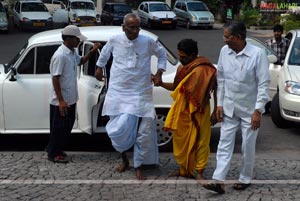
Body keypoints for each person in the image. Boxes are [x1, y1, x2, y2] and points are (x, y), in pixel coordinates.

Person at [95, 13, 167, 180]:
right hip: (118, 92)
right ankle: (125, 160)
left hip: (140, 93)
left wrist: (159, 73)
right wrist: (99, 68)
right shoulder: (114, 40)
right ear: (123, 27)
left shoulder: (147, 41)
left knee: (142, 132)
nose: (135, 31)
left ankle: (139, 165)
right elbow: (104, 56)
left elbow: (162, 55)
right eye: (132, 28)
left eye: (137, 27)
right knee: (119, 130)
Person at [203, 21, 270, 194]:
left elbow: (263, 84)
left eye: (227, 36)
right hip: (229, 107)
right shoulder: (224, 51)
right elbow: (222, 79)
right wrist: (219, 104)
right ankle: (218, 180)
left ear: (238, 37)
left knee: (247, 146)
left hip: (250, 110)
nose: (224, 40)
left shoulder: (257, 54)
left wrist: (258, 110)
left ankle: (245, 178)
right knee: (224, 143)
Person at [155, 39, 217, 181]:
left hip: (200, 110)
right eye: (179, 56)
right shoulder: (181, 68)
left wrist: (216, 110)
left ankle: (199, 171)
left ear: (193, 54)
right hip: (183, 111)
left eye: (183, 57)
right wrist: (161, 83)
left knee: (201, 141)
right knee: (180, 139)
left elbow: (216, 88)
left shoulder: (205, 69)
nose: (181, 59)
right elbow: (177, 87)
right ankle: (184, 169)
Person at [47, 25, 101, 163]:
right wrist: (61, 101)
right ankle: (53, 153)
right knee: (58, 127)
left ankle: (56, 149)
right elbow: (55, 78)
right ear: (69, 39)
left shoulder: (71, 52)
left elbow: (81, 61)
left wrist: (92, 51)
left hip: (70, 99)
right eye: (77, 39)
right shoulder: (60, 55)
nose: (79, 42)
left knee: (66, 126)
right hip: (61, 100)